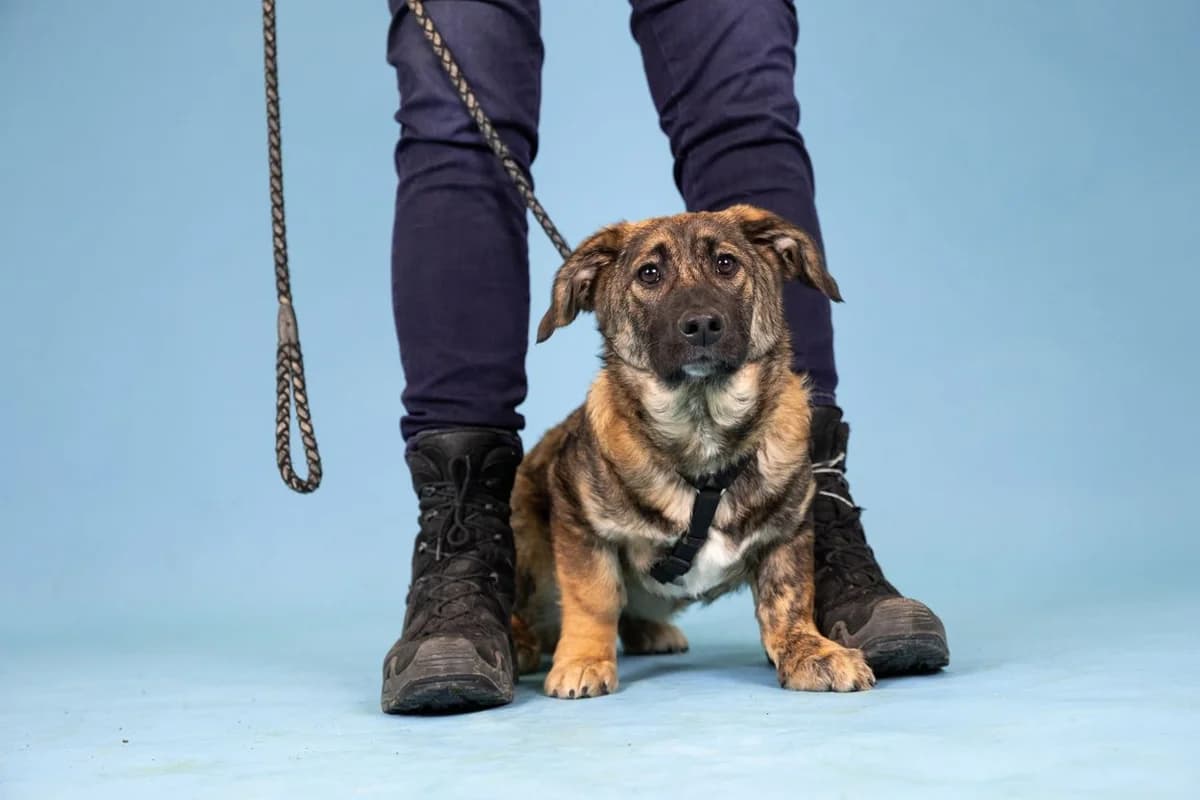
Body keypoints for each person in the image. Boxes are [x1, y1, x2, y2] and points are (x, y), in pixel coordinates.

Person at [379, 0, 949, 714]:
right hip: (605, 509)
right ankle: (465, 534)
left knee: (741, 105)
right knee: (460, 117)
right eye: (652, 278)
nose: (700, 311)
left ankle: (814, 500)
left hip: (749, 454)